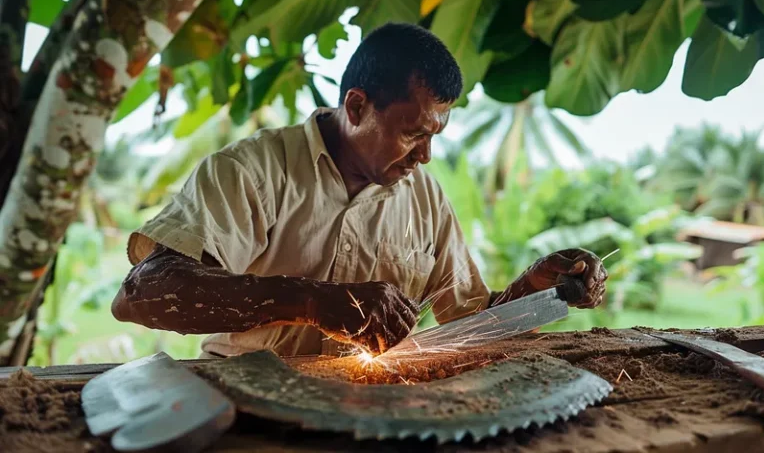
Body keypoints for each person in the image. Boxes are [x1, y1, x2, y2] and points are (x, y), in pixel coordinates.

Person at [111, 23, 607, 359]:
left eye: (435, 136)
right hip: (243, 405)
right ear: (356, 105)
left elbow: (473, 321)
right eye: (413, 133)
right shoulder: (253, 171)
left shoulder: (425, 199)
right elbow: (147, 292)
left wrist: (534, 288)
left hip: (373, 407)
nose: (425, 156)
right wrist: (310, 300)